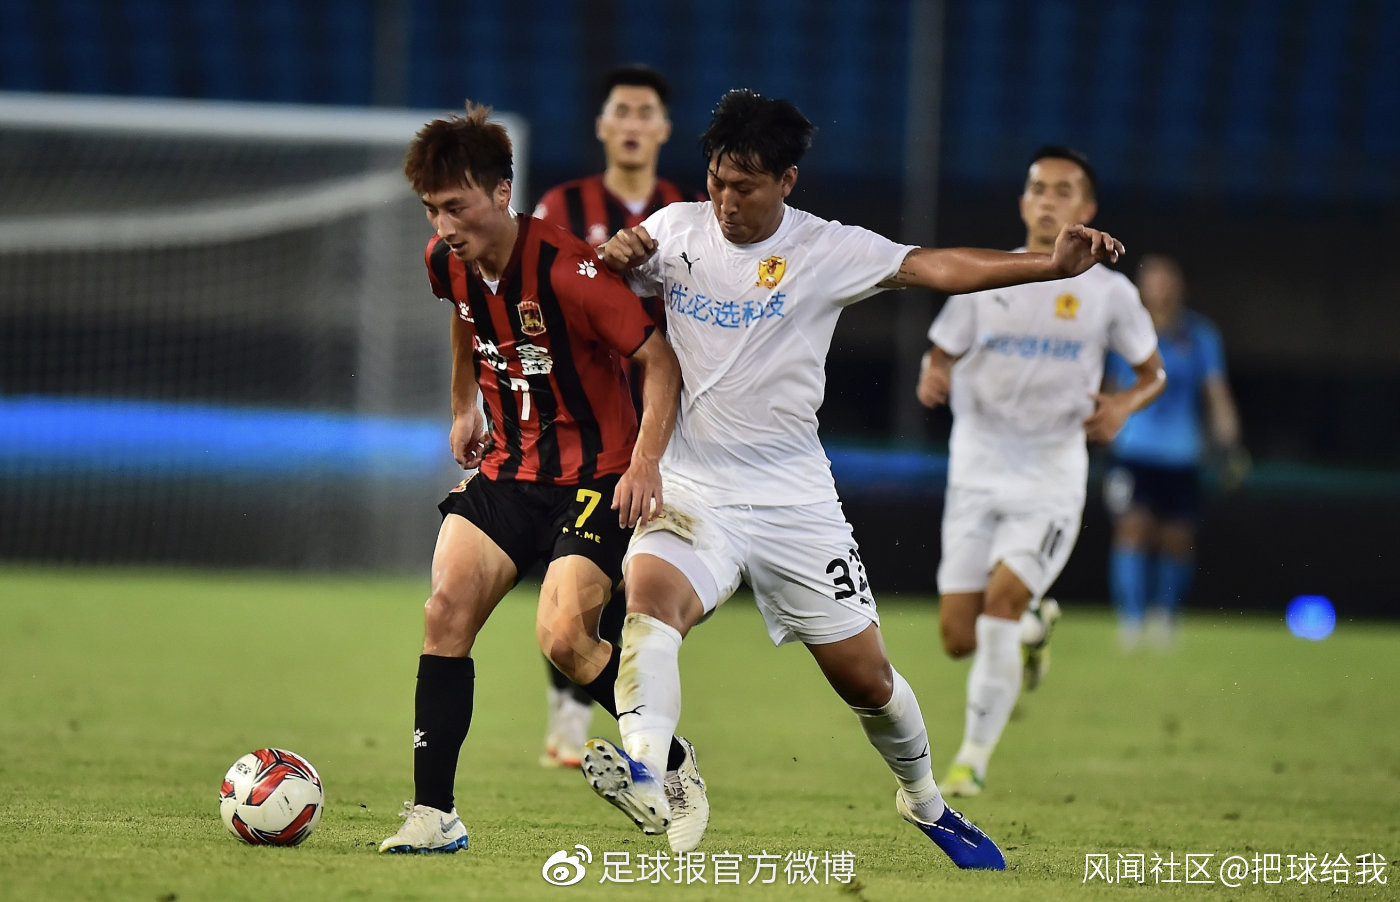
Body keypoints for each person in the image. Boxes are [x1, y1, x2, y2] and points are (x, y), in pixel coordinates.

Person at [580, 90, 1126, 871]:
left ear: (787, 181)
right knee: (649, 607)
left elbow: (932, 266)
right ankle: (648, 770)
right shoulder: (674, 231)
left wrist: (1047, 266)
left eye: (745, 188)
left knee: (868, 682)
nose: (726, 202)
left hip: (794, 501)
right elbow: (599, 300)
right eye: (717, 182)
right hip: (693, 487)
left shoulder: (826, 248)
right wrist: (609, 260)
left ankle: (926, 801)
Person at [378, 101, 701, 854]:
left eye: (456, 206)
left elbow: (659, 360)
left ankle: (670, 761)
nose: (444, 225)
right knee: (443, 614)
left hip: (595, 477)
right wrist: (463, 404)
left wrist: (646, 461)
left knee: (563, 638)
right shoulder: (446, 260)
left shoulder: (569, 271)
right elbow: (464, 311)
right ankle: (434, 815)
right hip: (507, 468)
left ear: (502, 192)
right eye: (431, 209)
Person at [914, 146, 1166, 800]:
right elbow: (940, 352)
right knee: (957, 637)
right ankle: (1034, 627)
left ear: (1087, 207)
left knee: (998, 607)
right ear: (1023, 202)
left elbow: (1153, 373)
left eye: (1064, 190)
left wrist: (1122, 406)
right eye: (1038, 188)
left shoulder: (1109, 293)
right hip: (976, 471)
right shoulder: (986, 276)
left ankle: (970, 761)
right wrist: (933, 373)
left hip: (1050, 476)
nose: (1049, 199)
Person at [529, 64, 697, 769]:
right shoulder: (561, 205)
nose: (632, 123)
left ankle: (623, 722)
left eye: (644, 111)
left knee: (637, 575)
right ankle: (572, 714)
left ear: (663, 129)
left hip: (662, 422)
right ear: (601, 125)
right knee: (575, 569)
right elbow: (533, 297)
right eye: (620, 110)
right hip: (581, 420)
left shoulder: (687, 212)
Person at [1103, 253, 1246, 650]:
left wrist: (1229, 440)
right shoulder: (1126, 333)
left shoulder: (1200, 336)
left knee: (1177, 538)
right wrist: (1105, 430)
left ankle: (1165, 618)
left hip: (1182, 454)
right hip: (1134, 450)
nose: (1161, 289)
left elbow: (1216, 392)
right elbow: (1113, 387)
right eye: (1154, 281)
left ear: (1180, 287)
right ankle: (1131, 621)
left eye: (1168, 281)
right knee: (1132, 529)